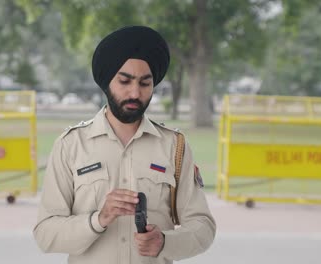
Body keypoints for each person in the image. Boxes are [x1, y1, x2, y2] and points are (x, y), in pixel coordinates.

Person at [33, 25, 216, 264]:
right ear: (107, 81)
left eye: (144, 83)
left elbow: (203, 226)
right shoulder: (71, 145)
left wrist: (165, 242)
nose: (135, 93)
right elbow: (46, 234)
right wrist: (99, 219)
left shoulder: (174, 146)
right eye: (125, 81)